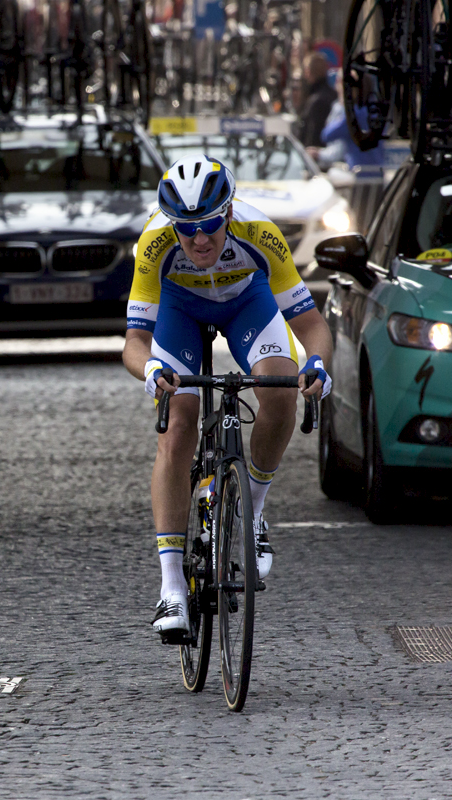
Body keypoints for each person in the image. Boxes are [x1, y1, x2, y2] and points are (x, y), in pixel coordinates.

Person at [124, 156, 333, 636]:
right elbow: (134, 342)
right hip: (180, 310)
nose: (199, 240)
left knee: (278, 387)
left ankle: (253, 511)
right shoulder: (155, 245)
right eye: (187, 230)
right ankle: (172, 589)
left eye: (211, 226)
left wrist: (317, 364)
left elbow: (312, 325)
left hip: (245, 301)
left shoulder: (261, 235)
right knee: (179, 420)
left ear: (230, 212)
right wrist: (151, 369)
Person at [295, 53, 337, 149]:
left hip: (317, 156)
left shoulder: (316, 101)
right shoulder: (334, 95)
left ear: (308, 72)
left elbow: (312, 137)